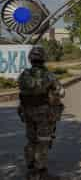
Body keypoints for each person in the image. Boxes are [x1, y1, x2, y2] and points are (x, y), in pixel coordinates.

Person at [17, 46, 65, 180]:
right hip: (43, 113)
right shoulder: (49, 75)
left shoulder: (24, 75)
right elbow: (62, 92)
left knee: (31, 140)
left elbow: (21, 92)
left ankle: (31, 170)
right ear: (43, 59)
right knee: (43, 142)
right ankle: (41, 173)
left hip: (27, 113)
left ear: (30, 59)